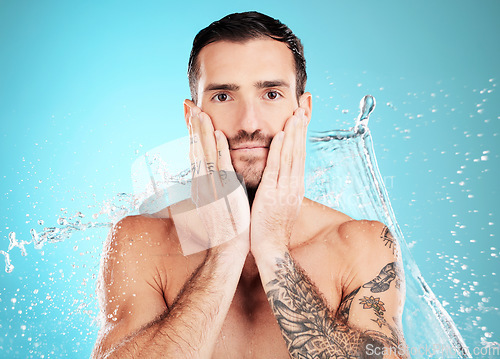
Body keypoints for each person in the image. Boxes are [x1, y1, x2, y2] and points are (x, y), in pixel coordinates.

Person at [92, 11, 408, 358]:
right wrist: (224, 254)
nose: (249, 123)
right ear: (191, 118)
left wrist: (273, 248)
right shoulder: (141, 242)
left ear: (303, 112)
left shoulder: (360, 246)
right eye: (223, 96)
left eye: (271, 94)